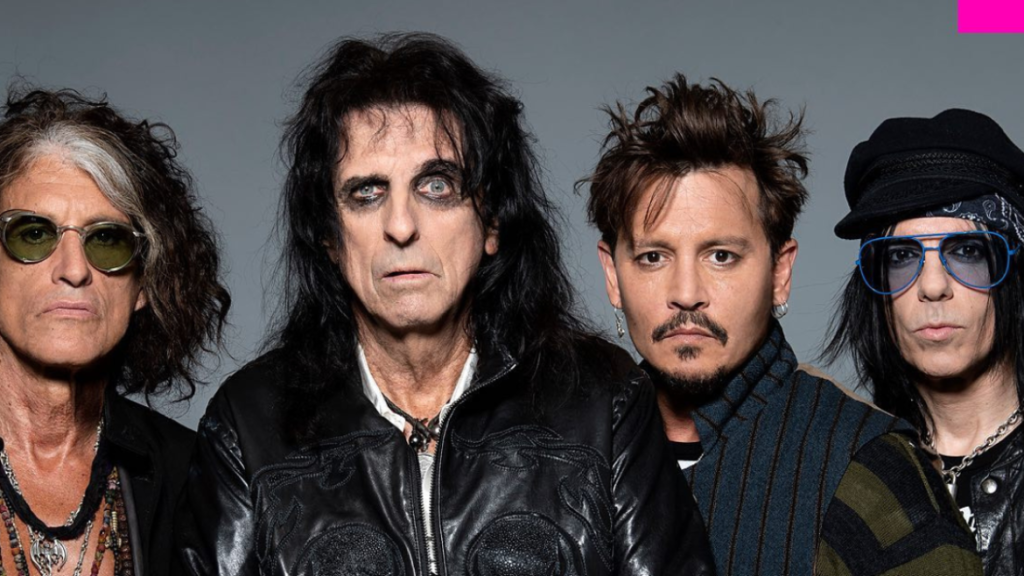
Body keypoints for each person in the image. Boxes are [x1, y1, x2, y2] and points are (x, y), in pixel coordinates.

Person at [176, 33, 712, 576]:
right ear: (330, 237)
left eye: (436, 186)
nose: (401, 226)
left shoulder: (602, 401)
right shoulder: (250, 424)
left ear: (492, 222)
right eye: (366, 193)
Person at [582, 74, 981, 576]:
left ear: (780, 272)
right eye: (653, 257)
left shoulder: (867, 462)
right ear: (613, 275)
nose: (686, 292)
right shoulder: (567, 451)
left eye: (721, 255)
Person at [0, 88, 230, 576]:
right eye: (33, 234)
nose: (73, 270)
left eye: (107, 240)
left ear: (143, 283)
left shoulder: (196, 478)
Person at [825, 109, 1024, 575]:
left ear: (1011, 270)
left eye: (967, 252)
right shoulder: (844, 468)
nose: (933, 287)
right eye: (901, 256)